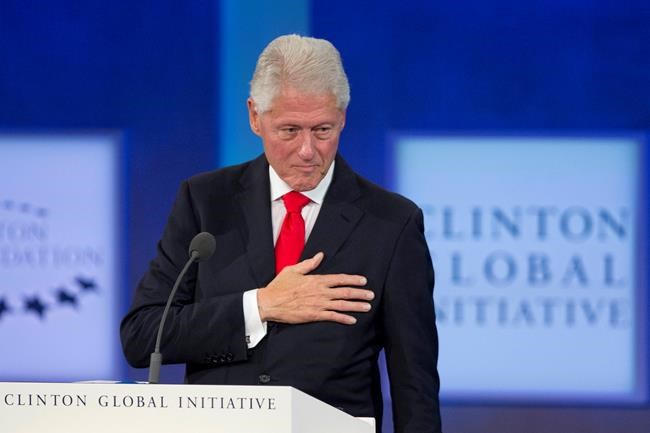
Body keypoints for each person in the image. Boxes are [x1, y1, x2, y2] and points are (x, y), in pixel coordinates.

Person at [121, 34, 441, 433]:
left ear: (343, 117)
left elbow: (415, 385)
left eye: (322, 129)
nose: (307, 150)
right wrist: (260, 306)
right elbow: (142, 335)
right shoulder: (205, 201)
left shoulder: (391, 223)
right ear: (255, 117)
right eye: (289, 130)